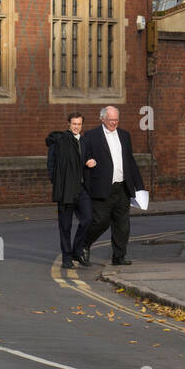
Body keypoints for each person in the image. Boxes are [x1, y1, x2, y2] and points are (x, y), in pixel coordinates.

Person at [81, 105, 144, 266]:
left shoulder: (124, 135)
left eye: (116, 120)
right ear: (102, 119)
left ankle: (119, 257)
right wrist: (88, 161)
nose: (114, 123)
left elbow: (130, 161)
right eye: (111, 120)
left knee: (122, 225)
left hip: (122, 187)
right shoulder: (91, 136)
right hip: (102, 187)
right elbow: (83, 156)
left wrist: (140, 186)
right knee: (100, 222)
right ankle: (83, 244)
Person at [45, 112, 92, 268]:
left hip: (81, 188)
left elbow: (83, 161)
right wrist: (57, 182)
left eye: (79, 124)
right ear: (68, 124)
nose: (76, 127)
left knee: (88, 219)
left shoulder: (84, 141)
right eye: (74, 124)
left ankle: (77, 250)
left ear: (82, 125)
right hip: (65, 189)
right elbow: (51, 164)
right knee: (65, 226)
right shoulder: (60, 141)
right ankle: (66, 258)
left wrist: (89, 162)